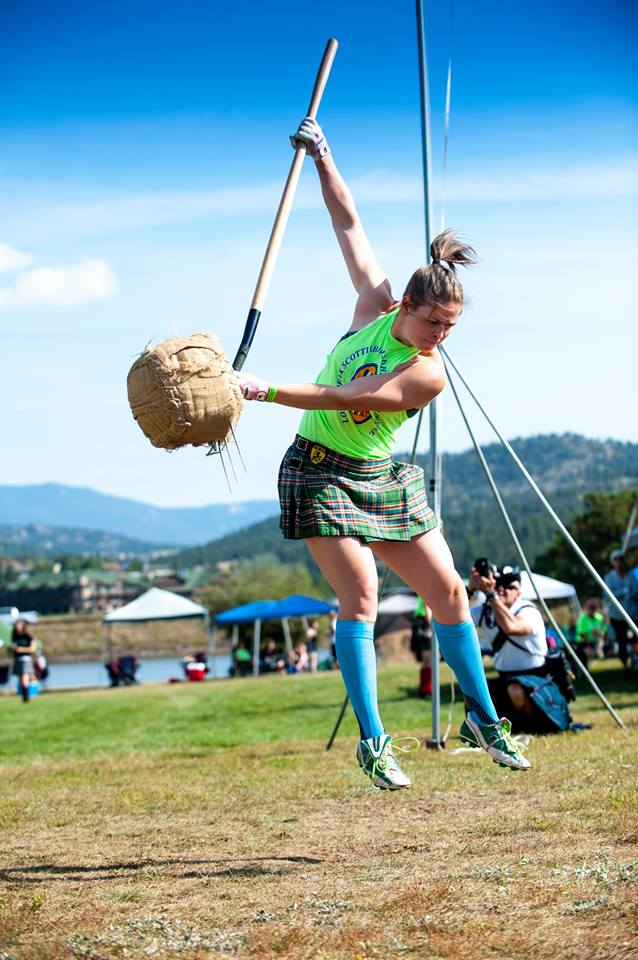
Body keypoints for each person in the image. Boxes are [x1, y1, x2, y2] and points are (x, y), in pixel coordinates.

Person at [237, 116, 530, 788]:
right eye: (433, 322)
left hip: (379, 474)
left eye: (452, 328)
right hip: (318, 471)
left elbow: (345, 397)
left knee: (451, 592)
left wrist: (263, 388)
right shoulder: (373, 306)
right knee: (361, 593)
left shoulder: (426, 371)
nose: (440, 337)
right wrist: (322, 156)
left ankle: (484, 720)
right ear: (404, 303)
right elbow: (348, 225)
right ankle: (374, 742)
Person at [469, 566, 571, 734]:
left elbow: (511, 626)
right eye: (499, 585)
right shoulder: (485, 611)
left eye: (510, 586)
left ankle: (535, 727)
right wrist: (470, 590)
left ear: (519, 591)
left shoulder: (529, 611)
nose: (503, 589)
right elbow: (454, 619)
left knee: (515, 689)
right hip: (505, 678)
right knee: (475, 694)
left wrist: (491, 595)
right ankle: (491, 733)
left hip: (536, 679)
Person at [604, 550, 638, 671]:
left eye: (621, 559)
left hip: (633, 613)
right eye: (616, 559)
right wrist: (623, 592)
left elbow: (635, 590)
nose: (619, 561)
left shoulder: (630, 575)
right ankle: (624, 664)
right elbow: (609, 596)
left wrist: (632, 593)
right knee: (621, 640)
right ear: (613, 561)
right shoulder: (609, 577)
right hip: (617, 615)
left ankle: (636, 660)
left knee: (636, 638)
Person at [574, 599, 605, 668]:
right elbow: (582, 634)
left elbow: (603, 633)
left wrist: (598, 634)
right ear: (587, 608)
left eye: (593, 608)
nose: (592, 610)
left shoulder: (599, 618)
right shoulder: (582, 619)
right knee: (587, 651)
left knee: (602, 646)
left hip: (596, 641)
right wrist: (589, 646)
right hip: (583, 643)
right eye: (590, 608)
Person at [11, 619, 37, 703]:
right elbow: (13, 646)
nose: (17, 626)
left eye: (19, 625)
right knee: (21, 679)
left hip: (26, 660)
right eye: (16, 625)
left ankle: (26, 698)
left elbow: (33, 648)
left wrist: (21, 649)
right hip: (17, 659)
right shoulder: (14, 636)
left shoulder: (28, 636)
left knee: (25, 678)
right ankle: (24, 698)